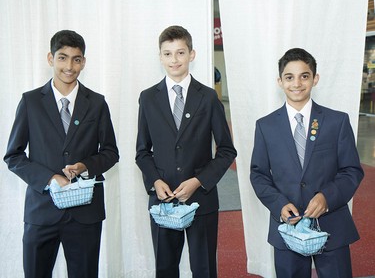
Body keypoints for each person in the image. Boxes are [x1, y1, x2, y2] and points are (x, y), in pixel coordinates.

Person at [3, 30, 119, 278]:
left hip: (85, 214)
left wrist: (84, 166)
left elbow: (110, 153)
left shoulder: (97, 103)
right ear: (50, 58)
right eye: (63, 58)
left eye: (76, 59)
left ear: (84, 62)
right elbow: (13, 156)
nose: (69, 66)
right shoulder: (31, 102)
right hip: (41, 212)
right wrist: (49, 178)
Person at [250, 48, 364, 278]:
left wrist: (327, 197)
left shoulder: (337, 121)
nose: (297, 83)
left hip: (332, 226)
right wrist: (279, 204)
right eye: (289, 77)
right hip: (288, 229)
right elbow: (259, 174)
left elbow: (351, 170)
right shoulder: (266, 126)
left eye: (304, 76)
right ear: (280, 81)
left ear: (315, 78)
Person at [136, 25, 237, 278]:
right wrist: (155, 181)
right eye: (168, 54)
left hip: (201, 200)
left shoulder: (208, 97)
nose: (174, 60)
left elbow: (226, 150)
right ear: (160, 57)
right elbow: (142, 152)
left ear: (192, 55)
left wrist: (198, 181)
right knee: (165, 269)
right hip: (163, 201)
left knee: (204, 268)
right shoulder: (148, 98)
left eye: (180, 53)